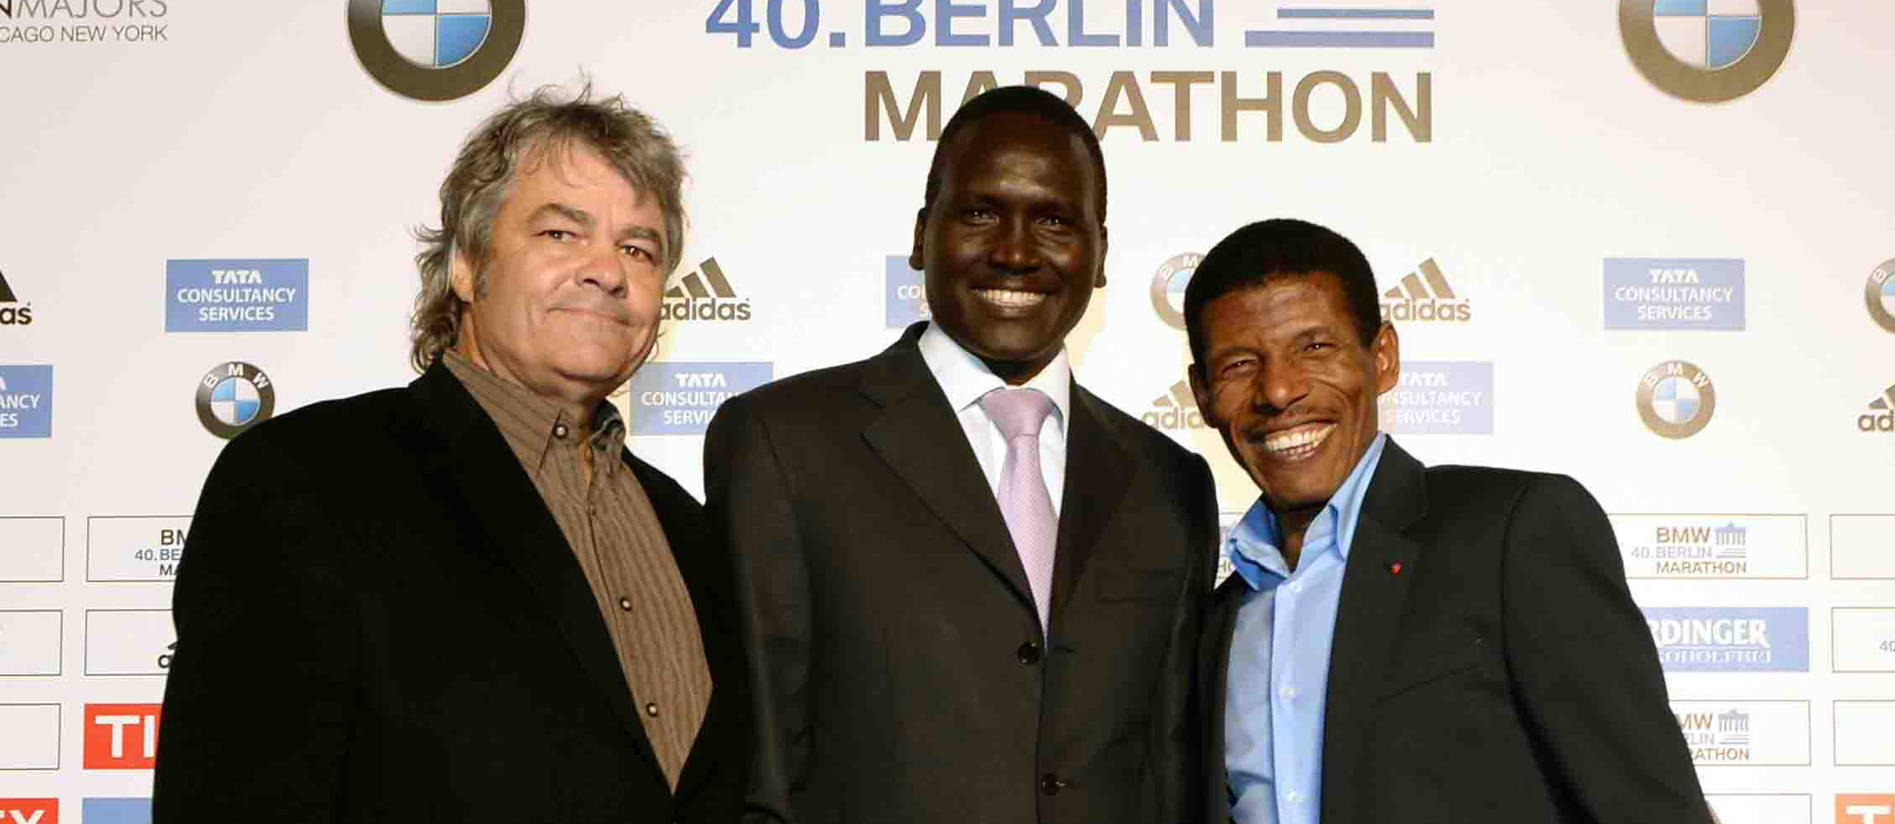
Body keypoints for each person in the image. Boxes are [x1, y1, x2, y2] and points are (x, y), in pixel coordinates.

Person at [153, 86, 745, 823]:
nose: (607, 270)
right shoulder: (309, 479)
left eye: (638, 247)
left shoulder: (693, 532)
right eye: (562, 234)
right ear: (466, 265)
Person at [705, 86, 1219, 824]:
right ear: (922, 236)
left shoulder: (1171, 484)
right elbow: (761, 770)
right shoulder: (785, 444)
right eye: (979, 213)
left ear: (1099, 253)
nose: (1013, 252)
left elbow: (1169, 781)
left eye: (1052, 220)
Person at [1187, 219, 1710, 824]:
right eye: (1239, 365)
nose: (1277, 390)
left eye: (1315, 347)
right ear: (1202, 394)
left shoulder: (1513, 534)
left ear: (1382, 358)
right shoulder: (1210, 623)